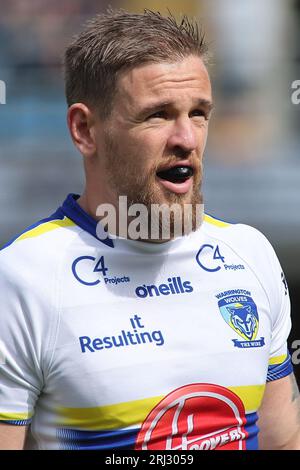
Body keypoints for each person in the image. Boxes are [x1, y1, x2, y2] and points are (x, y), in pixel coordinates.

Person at [0, 9, 299, 451]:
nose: (187, 138)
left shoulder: (249, 255)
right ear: (84, 130)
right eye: (157, 115)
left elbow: (282, 440)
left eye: (199, 113)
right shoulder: (23, 279)